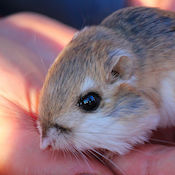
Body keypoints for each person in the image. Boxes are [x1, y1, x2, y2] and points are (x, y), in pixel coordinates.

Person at [0, 12, 175, 175]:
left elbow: (144, 115)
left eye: (89, 102)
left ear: (119, 70)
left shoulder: (125, 69)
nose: (45, 144)